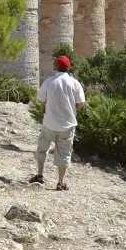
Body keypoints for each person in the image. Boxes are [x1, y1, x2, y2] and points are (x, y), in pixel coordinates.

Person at [30, 55, 85, 191]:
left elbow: (41, 100)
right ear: (69, 67)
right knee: (64, 153)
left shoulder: (49, 82)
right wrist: (71, 108)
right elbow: (81, 104)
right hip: (67, 123)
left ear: (56, 66)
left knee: (42, 148)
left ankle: (40, 175)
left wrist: (50, 105)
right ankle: (60, 182)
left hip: (49, 122)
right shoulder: (75, 83)